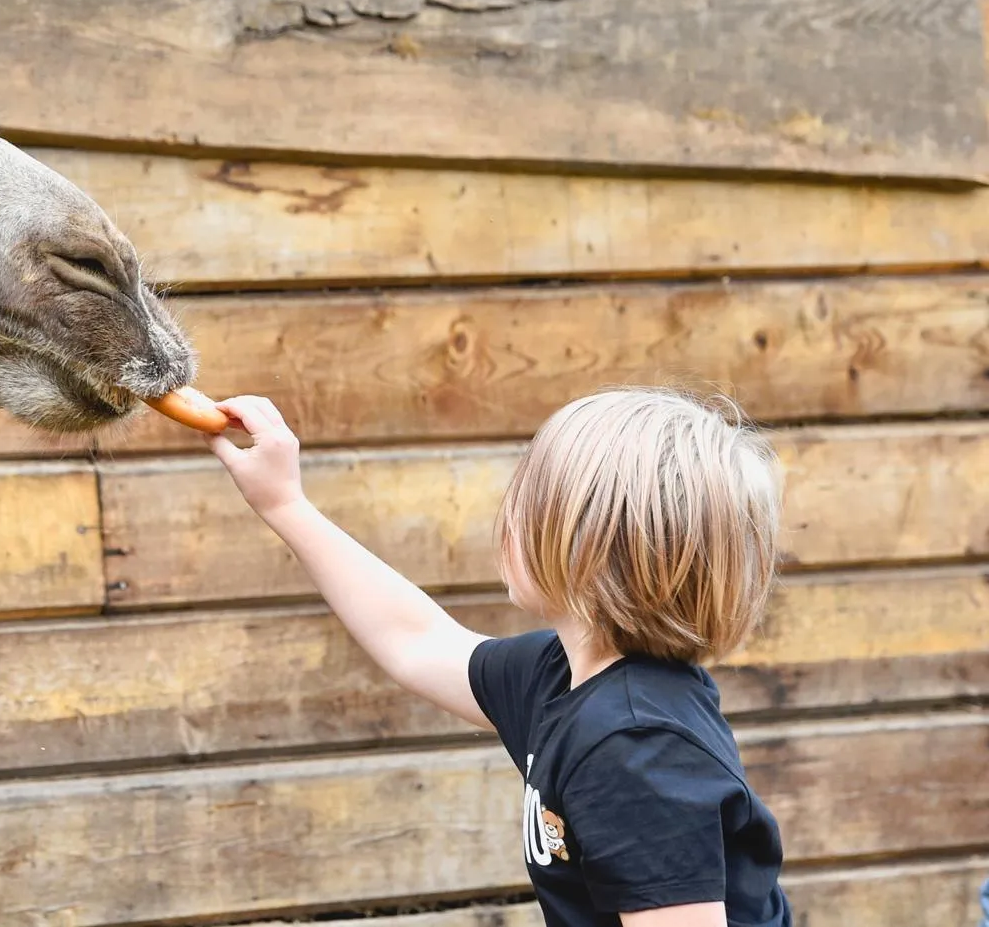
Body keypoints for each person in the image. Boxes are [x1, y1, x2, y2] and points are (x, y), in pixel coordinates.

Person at [204, 386, 790, 927]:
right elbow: (418, 642)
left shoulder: (636, 747)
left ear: (584, 542)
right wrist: (285, 504)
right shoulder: (562, 677)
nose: (504, 517)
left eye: (525, 499)